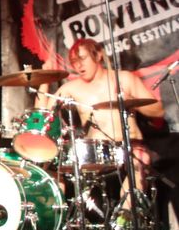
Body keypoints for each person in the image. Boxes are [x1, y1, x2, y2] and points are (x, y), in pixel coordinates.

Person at [35, 38, 165, 210]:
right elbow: (42, 115)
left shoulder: (124, 79)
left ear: (98, 56)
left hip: (130, 147)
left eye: (83, 59)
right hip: (96, 154)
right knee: (52, 167)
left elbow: (158, 111)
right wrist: (44, 80)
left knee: (140, 160)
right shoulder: (72, 88)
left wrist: (129, 99)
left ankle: (125, 218)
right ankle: (58, 220)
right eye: (74, 62)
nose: (79, 66)